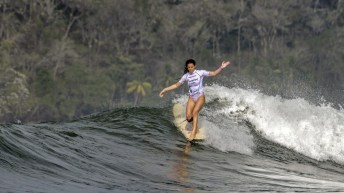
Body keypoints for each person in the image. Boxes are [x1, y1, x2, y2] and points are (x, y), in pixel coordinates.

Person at [159, 59, 231, 141]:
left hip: (200, 96)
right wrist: (165, 90)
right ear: (187, 67)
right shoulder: (186, 76)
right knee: (189, 117)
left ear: (195, 66)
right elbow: (176, 85)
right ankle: (195, 127)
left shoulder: (200, 73)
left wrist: (221, 67)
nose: (190, 69)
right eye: (189, 67)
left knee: (195, 112)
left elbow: (213, 73)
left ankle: (194, 132)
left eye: (192, 67)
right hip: (192, 98)